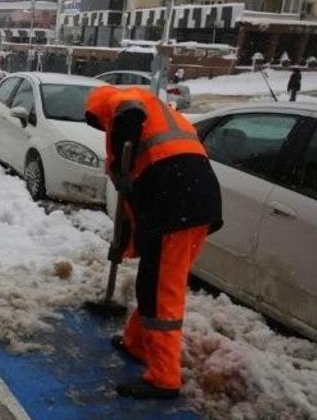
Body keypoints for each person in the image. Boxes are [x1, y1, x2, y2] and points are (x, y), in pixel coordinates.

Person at [84, 86, 223, 399]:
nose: (101, 128)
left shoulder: (124, 103)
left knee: (163, 294)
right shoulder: (158, 117)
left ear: (100, 108)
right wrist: (123, 245)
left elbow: (127, 116)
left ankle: (164, 376)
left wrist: (119, 161)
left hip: (177, 206)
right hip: (193, 200)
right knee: (153, 282)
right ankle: (136, 342)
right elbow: (132, 208)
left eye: (97, 122)